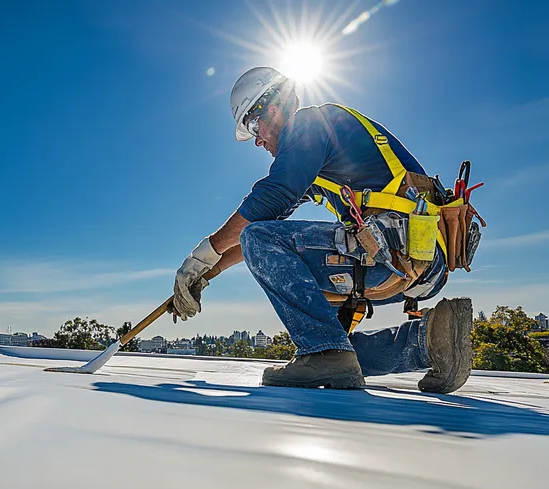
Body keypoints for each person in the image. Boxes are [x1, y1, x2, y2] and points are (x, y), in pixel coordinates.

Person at [168, 66, 474, 393]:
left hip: (394, 253)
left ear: (272, 109)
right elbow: (265, 226)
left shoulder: (309, 124)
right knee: (334, 346)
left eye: (254, 126)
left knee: (265, 250)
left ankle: (325, 353)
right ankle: (431, 340)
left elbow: (271, 203)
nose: (257, 140)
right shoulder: (321, 158)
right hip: (418, 260)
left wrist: (201, 255)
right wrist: (205, 274)